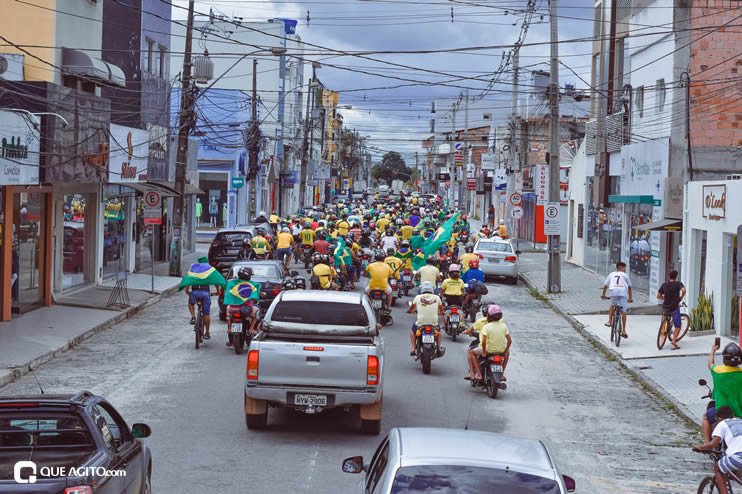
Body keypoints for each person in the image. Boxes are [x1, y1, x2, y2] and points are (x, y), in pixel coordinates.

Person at [693, 406, 740, 494]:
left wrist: (700, 448)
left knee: (718, 468)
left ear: (719, 418)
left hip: (738, 455)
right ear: (732, 415)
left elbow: (712, 445)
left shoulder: (722, 424)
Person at [703, 342, 742, 442]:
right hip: (740, 413)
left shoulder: (718, 371)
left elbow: (710, 364)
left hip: (722, 414)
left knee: (706, 417)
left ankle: (707, 444)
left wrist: (713, 350)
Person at [466, 304, 511, 382]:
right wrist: (506, 350)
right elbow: (509, 341)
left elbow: (483, 341)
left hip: (488, 350)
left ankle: (479, 375)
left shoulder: (487, 326)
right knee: (507, 354)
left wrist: (483, 351)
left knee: (472, 352)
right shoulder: (503, 325)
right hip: (501, 350)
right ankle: (502, 374)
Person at [406, 281, 444, 356]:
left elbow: (412, 308)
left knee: (412, 331)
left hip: (420, 324)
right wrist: (441, 313)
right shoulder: (437, 297)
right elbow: (441, 310)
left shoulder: (418, 297)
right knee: (438, 333)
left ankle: (413, 348)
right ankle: (439, 347)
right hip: (433, 324)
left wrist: (409, 311)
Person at [225, 267, 260, 343]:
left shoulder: (232, 283)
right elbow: (255, 299)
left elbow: (227, 292)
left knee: (228, 314)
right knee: (257, 311)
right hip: (245, 309)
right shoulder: (251, 285)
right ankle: (251, 329)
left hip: (232, 309)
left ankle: (230, 328)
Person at [601, 261, 632, 338]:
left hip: (613, 291)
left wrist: (603, 295)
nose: (625, 269)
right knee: (623, 310)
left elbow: (605, 285)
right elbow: (629, 287)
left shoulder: (612, 274)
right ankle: (624, 330)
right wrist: (630, 298)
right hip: (623, 292)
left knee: (612, 305)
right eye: (624, 268)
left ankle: (609, 321)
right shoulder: (625, 275)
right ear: (621, 268)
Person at [657, 270, 687, 349]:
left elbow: (658, 295)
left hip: (665, 306)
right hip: (674, 307)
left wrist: (666, 298)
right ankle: (673, 341)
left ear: (669, 276)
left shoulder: (664, 284)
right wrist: (681, 298)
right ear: (676, 277)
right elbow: (683, 290)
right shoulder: (678, 284)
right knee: (678, 325)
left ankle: (663, 328)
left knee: (665, 317)